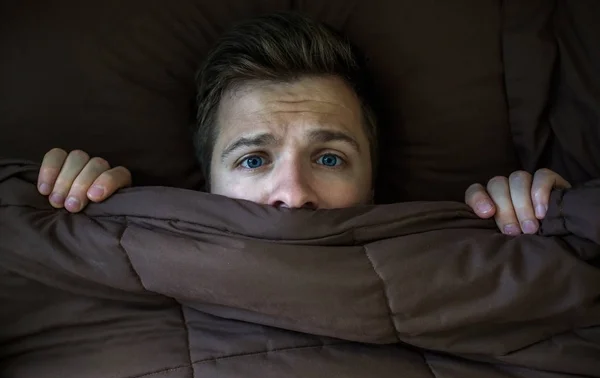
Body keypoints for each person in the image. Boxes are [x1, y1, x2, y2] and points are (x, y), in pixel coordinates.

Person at [35, 12, 570, 235]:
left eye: (330, 157)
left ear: (373, 182)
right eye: (253, 158)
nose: (293, 195)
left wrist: (546, 222)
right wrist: (74, 211)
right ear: (207, 182)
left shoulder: (466, 253)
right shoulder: (119, 233)